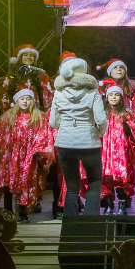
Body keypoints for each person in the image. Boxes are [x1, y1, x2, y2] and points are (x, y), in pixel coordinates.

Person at [0, 87, 54, 222]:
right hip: (9, 157)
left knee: (26, 182)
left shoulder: (39, 117)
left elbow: (44, 135)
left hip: (28, 157)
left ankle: (23, 212)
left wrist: (37, 151)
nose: (25, 101)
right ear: (17, 101)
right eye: (22, 99)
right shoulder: (8, 116)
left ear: (33, 101)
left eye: (28, 99)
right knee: (8, 182)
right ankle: (7, 212)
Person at [50, 57, 108, 217]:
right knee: (95, 182)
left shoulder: (59, 93)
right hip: (89, 143)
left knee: (72, 186)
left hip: (65, 143)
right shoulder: (92, 92)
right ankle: (90, 222)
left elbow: (53, 122)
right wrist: (99, 133)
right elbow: (101, 119)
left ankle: (70, 225)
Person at [99, 80, 135, 216]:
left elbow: (134, 130)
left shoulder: (126, 113)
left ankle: (122, 205)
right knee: (106, 179)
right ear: (107, 96)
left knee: (121, 179)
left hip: (121, 153)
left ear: (121, 97)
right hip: (106, 152)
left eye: (117, 95)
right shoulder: (102, 112)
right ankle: (109, 205)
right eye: (111, 95)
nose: (114, 97)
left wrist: (128, 129)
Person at [2, 44, 53, 111]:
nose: (28, 57)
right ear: (20, 58)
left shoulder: (42, 76)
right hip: (17, 114)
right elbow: (3, 96)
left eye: (31, 55)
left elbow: (50, 96)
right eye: (25, 55)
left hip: (37, 114)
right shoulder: (12, 75)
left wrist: (40, 89)